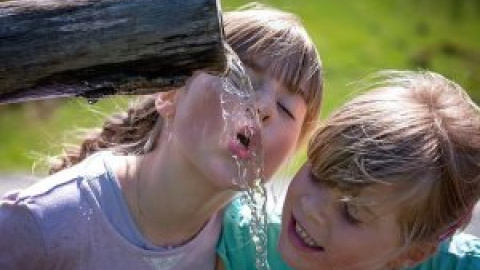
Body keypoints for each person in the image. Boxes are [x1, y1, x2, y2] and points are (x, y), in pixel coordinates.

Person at [0, 6, 323, 270]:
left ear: (292, 151)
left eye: (285, 108)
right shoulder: (43, 224)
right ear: (169, 93)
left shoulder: (256, 248)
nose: (263, 107)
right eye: (243, 80)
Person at [217, 70, 480, 270]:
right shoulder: (241, 245)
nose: (312, 208)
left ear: (412, 253)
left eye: (351, 211)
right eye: (317, 175)